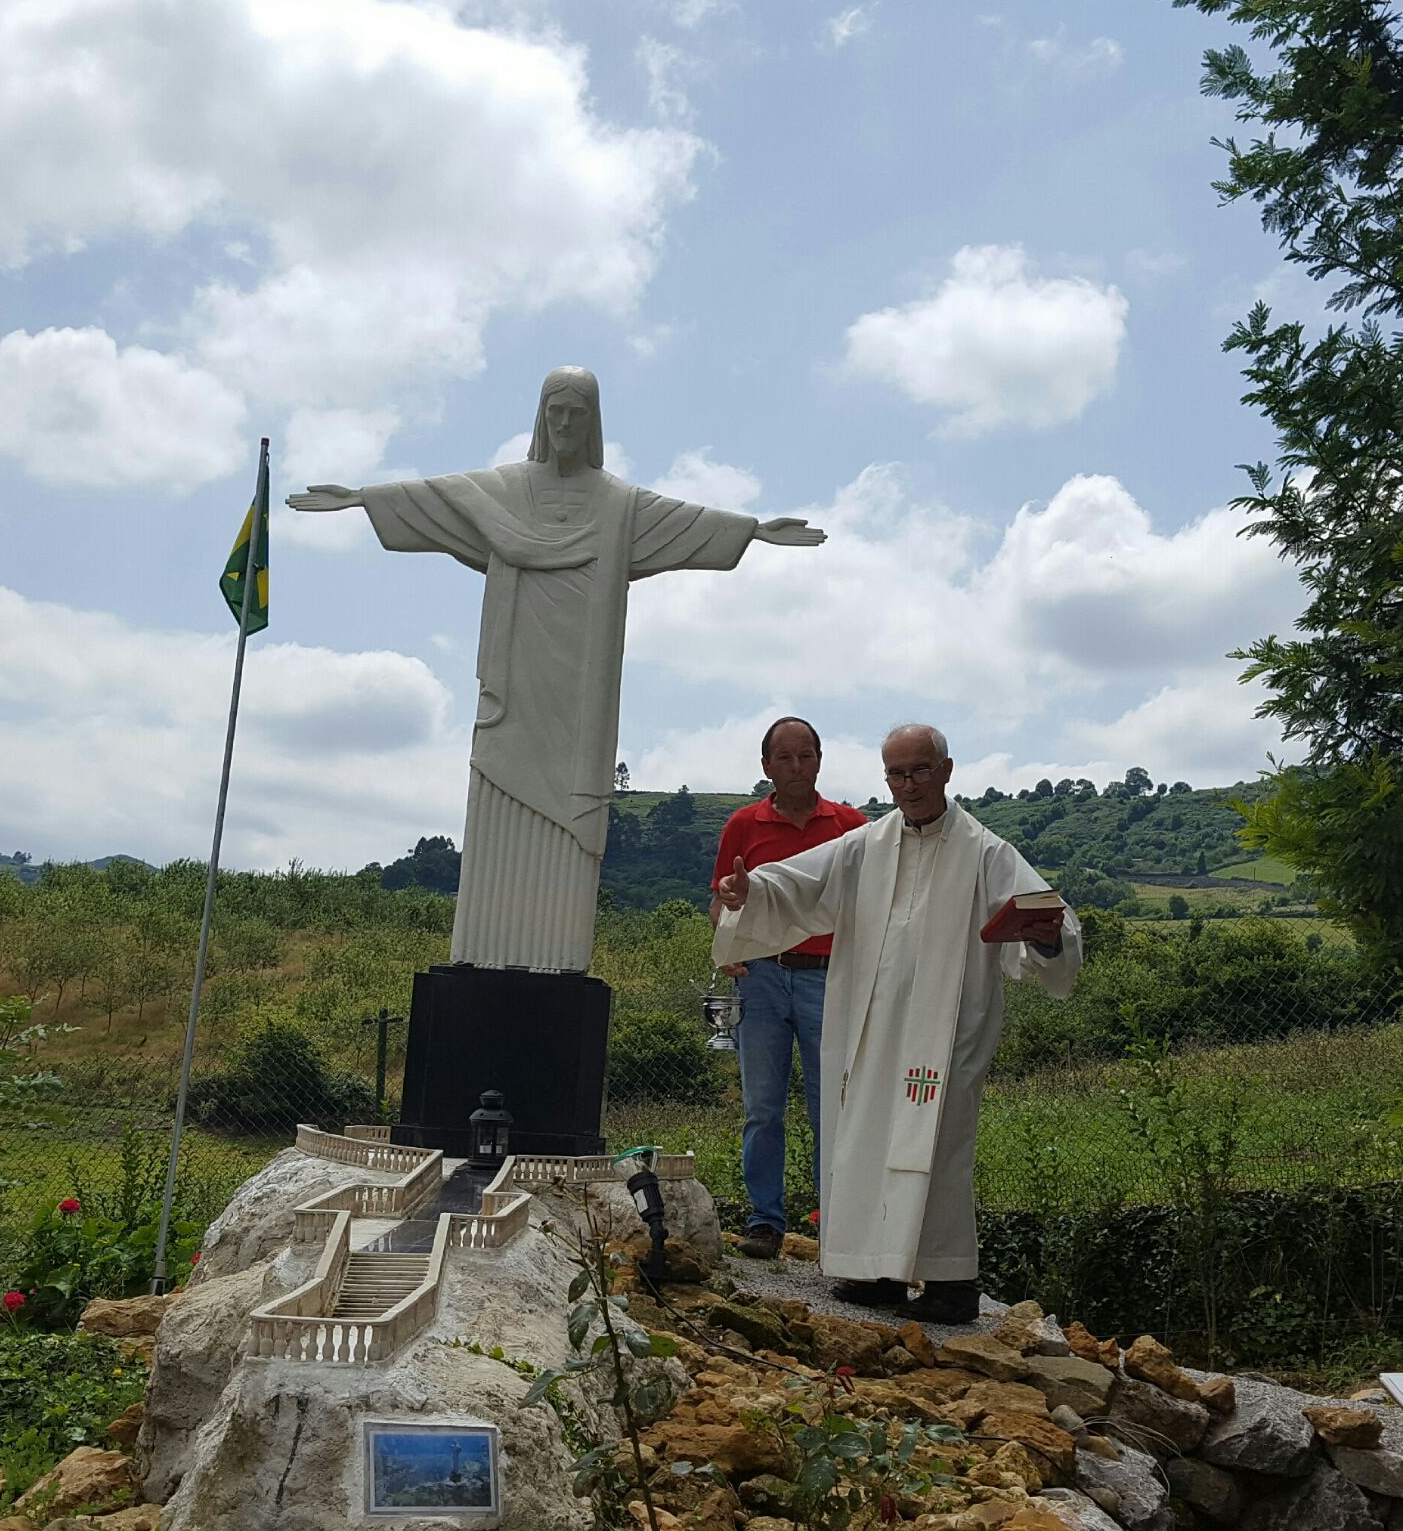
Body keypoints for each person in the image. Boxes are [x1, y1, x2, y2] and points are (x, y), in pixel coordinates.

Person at [287, 367, 824, 974]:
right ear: (541, 417)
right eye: (555, 411)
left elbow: (684, 521)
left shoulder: (618, 505)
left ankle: (555, 952)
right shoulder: (505, 491)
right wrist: (363, 498)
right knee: (498, 780)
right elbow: (435, 496)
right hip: (515, 681)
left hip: (580, 688)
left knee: (571, 806)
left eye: (577, 413)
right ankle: (483, 949)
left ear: (593, 422)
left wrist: (751, 530)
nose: (565, 424)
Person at [712, 723, 1081, 1320]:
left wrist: (1045, 937)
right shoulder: (866, 846)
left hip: (947, 1031)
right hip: (870, 1030)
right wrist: (747, 892)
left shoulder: (985, 852)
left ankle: (949, 1283)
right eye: (896, 773)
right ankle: (875, 1270)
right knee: (863, 1137)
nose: (908, 785)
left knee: (938, 1144)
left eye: (919, 770)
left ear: (946, 769)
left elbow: (1050, 924)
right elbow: (796, 884)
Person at [709, 718, 867, 1259]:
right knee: (763, 1106)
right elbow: (722, 902)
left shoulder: (852, 826)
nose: (797, 767)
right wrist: (728, 929)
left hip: (831, 976)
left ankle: (837, 1224)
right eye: (785, 758)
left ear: (820, 759)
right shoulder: (742, 825)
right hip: (764, 976)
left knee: (835, 1106)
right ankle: (765, 1222)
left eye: (806, 756)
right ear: (766, 767)